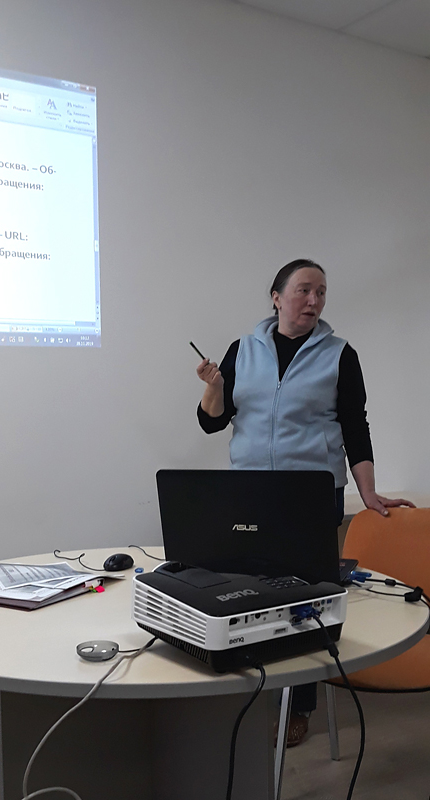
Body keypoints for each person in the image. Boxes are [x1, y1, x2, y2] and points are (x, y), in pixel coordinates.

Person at [196, 258, 414, 747]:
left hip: (311, 495)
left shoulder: (339, 354)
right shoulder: (242, 350)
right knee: (248, 596)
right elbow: (212, 421)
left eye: (321, 292)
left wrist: (367, 491)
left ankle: (300, 706)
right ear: (276, 298)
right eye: (303, 290)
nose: (314, 300)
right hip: (250, 494)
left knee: (306, 602)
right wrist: (215, 387)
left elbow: (355, 426)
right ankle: (254, 695)